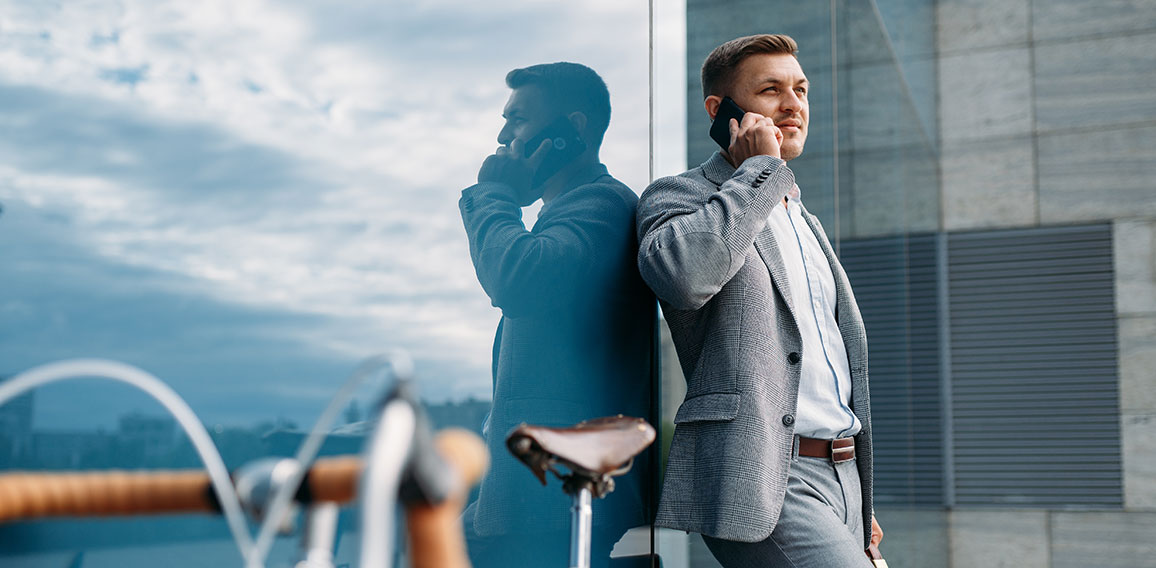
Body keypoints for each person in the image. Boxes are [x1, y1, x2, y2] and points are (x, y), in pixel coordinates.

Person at [636, 34, 884, 567]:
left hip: (842, 478)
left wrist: (856, 495)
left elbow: (823, 364)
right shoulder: (680, 196)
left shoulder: (804, 220)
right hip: (761, 474)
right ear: (721, 110)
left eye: (800, 89)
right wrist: (758, 172)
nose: (793, 104)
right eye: (771, 91)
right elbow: (682, 277)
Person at [459, 62, 654, 568]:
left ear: (573, 130)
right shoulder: (567, 213)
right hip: (533, 496)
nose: (503, 135)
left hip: (553, 500)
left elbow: (518, 278)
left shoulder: (604, 207)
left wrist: (496, 195)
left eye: (518, 119)